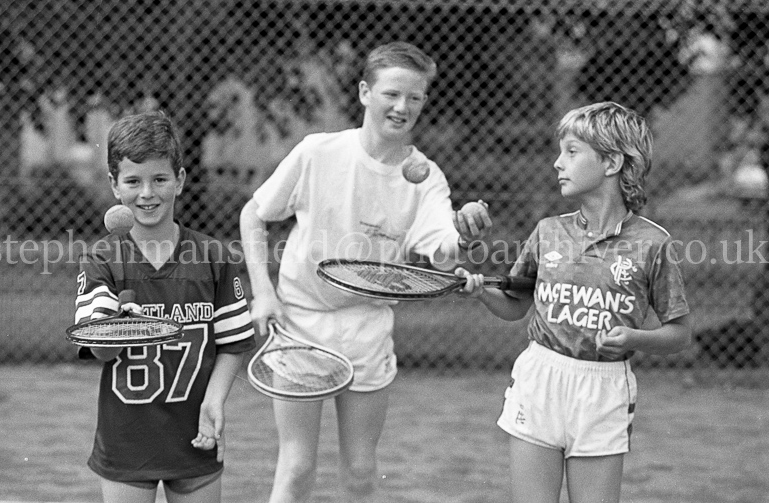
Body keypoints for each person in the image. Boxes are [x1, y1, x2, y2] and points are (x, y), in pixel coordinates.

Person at [239, 41, 493, 502]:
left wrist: (466, 233)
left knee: (360, 473)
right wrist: (263, 292)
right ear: (364, 93)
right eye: (392, 94)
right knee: (296, 468)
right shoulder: (317, 152)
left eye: (415, 98)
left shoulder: (427, 177)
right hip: (298, 325)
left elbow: (443, 251)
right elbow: (254, 215)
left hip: (367, 328)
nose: (402, 107)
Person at [455, 101, 692, 503]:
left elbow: (680, 333)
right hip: (540, 379)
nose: (556, 163)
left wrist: (636, 337)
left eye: (571, 151)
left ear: (612, 162)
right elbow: (516, 306)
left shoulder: (654, 244)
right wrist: (481, 291)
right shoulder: (548, 231)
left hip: (603, 389)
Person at [73, 111, 256, 503]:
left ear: (180, 180)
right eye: (133, 181)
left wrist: (214, 401)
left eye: (160, 179)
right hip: (127, 439)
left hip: (195, 433)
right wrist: (120, 324)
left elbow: (233, 344)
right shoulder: (103, 259)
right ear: (114, 186)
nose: (147, 194)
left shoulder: (214, 258)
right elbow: (101, 351)